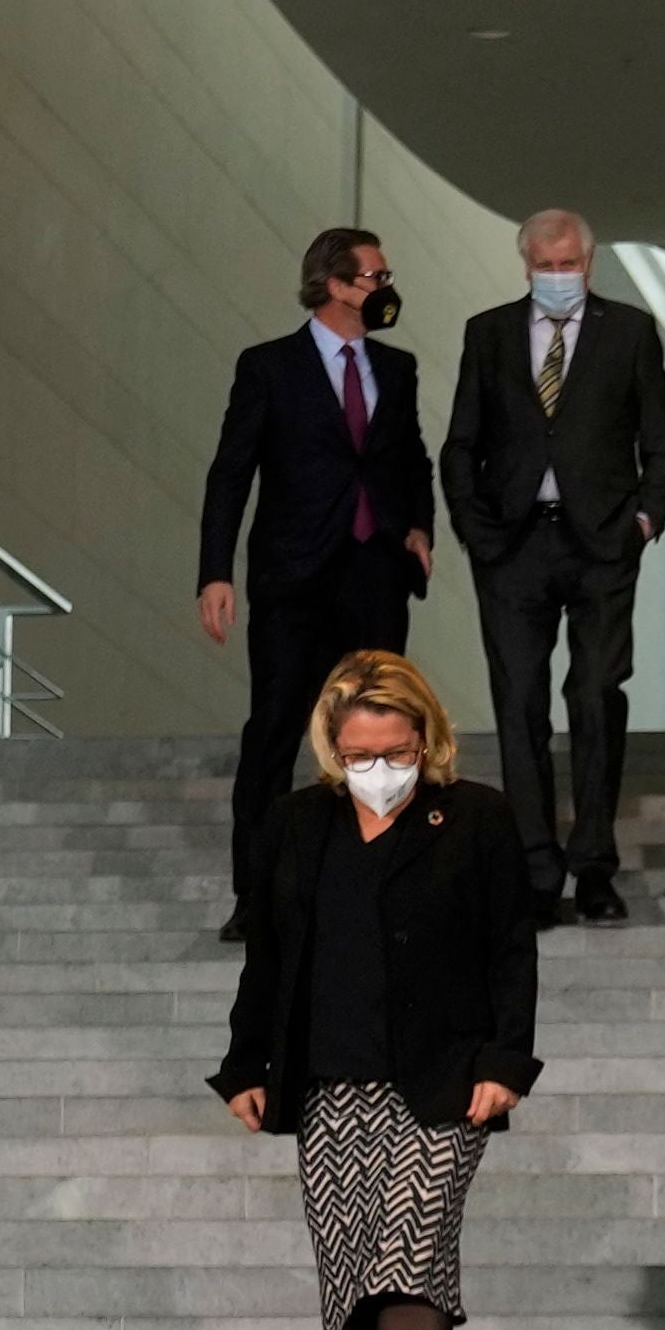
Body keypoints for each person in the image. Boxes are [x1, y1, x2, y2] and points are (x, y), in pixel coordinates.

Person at [210, 651, 540, 1330]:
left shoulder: (473, 817)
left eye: (396, 749)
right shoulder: (296, 825)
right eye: (361, 754)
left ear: (425, 738)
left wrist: (507, 1059)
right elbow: (268, 957)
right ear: (333, 749)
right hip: (329, 1085)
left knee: (407, 1254)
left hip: (441, 1083)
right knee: (347, 1286)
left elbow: (512, 946)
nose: (380, 769)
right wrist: (246, 1063)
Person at [436, 208, 665, 925]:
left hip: (603, 544)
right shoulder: (488, 333)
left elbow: (660, 442)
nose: (556, 275)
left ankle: (594, 867)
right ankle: (535, 871)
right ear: (525, 266)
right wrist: (476, 530)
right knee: (519, 707)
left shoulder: (629, 331)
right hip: (512, 548)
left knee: (596, 695)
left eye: (567, 262)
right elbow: (461, 443)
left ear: (589, 262)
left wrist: (645, 518)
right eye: (543, 264)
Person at [196, 228, 433, 942]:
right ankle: (257, 892)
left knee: (384, 730)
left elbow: (410, 457)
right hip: (293, 576)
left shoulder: (397, 366)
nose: (386, 286)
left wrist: (418, 528)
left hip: (374, 574)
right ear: (335, 284)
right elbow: (231, 471)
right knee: (274, 729)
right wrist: (215, 570)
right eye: (374, 274)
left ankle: (382, 881)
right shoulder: (268, 366)